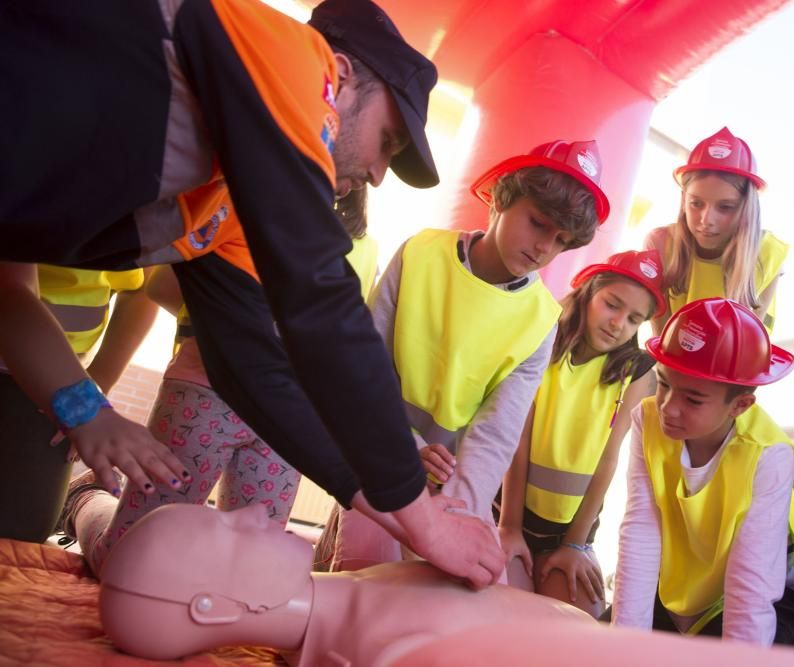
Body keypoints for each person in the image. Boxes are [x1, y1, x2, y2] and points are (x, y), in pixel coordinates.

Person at [0, 0, 503, 586]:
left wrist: (88, 409)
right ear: (337, 77)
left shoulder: (224, 206)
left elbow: (253, 372)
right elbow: (317, 295)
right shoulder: (289, 55)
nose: (377, 175)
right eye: (388, 141)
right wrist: (425, 521)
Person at [98, 503, 794, 667]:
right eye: (225, 527)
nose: (256, 508)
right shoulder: (400, 649)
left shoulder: (365, 594)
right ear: (215, 606)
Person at [60, 189, 379, 577]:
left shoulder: (361, 247)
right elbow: (160, 287)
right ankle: (86, 498)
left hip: (287, 417)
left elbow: (338, 343)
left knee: (249, 565)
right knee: (127, 557)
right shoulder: (238, 205)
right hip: (205, 393)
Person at [327, 139, 607, 571]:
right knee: (362, 566)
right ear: (500, 199)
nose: (543, 248)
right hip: (376, 447)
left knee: (441, 584)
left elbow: (496, 434)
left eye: (561, 241)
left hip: (454, 480)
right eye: (537, 223)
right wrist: (406, 448)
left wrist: (454, 519)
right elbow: (366, 366)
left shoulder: (541, 319)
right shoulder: (420, 252)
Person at [611, 298, 794, 645]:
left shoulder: (769, 455)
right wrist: (624, 644)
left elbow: (752, 586)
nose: (668, 408)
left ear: (740, 405)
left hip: (778, 592)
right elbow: (640, 532)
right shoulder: (647, 420)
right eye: (663, 384)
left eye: (692, 399)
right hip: (688, 589)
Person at [495, 249, 663, 616]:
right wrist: (509, 527)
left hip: (569, 534)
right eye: (612, 305)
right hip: (509, 515)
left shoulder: (636, 372)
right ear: (589, 292)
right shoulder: (544, 340)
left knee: (577, 619)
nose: (619, 323)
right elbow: (517, 439)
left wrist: (574, 545)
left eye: (634, 319)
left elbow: (608, 459)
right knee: (504, 609)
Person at [0, 266, 160, 542]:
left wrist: (95, 386)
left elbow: (143, 291)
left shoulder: (158, 230)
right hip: (43, 370)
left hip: (53, 383)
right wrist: (84, 408)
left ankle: (82, 498)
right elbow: (12, 290)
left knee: (25, 533)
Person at [644, 127, 786, 334]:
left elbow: (745, 342)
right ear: (684, 199)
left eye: (725, 207)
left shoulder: (768, 253)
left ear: (748, 209)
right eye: (696, 204)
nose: (706, 220)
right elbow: (661, 339)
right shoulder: (660, 243)